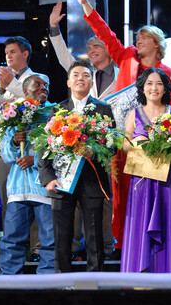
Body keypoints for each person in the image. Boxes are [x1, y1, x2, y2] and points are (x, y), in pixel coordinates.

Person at [77, 0, 171, 254]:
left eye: (144, 37)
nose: (138, 40)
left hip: (155, 146)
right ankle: (126, 246)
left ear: (157, 44)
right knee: (121, 194)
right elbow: (105, 33)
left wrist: (163, 136)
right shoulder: (126, 57)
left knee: (153, 196)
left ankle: (155, 248)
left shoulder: (167, 73)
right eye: (137, 37)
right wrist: (86, 6)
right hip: (124, 141)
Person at [49, 0, 116, 257]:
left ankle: (104, 258)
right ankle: (69, 265)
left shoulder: (121, 75)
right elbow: (64, 58)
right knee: (68, 222)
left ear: (109, 48)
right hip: (69, 165)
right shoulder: (80, 78)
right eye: (88, 47)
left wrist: (97, 148)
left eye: (96, 45)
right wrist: (54, 29)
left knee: (100, 218)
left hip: (101, 161)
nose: (91, 49)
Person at [38, 60, 114, 272]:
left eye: (86, 75)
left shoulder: (103, 109)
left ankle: (94, 281)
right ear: (68, 82)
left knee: (94, 235)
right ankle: (62, 280)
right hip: (62, 181)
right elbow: (43, 147)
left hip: (92, 179)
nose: (81, 78)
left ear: (92, 82)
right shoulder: (57, 110)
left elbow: (112, 146)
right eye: (76, 75)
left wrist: (94, 151)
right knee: (62, 235)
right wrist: (47, 178)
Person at [121, 68, 171, 273]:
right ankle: (141, 274)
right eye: (149, 83)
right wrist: (138, 141)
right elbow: (125, 144)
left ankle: (170, 270)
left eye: (159, 83)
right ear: (142, 88)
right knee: (141, 225)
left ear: (165, 88)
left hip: (168, 180)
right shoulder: (134, 113)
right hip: (142, 180)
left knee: (170, 224)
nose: (154, 88)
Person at [0, 74, 55, 274]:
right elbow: (6, 155)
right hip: (18, 190)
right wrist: (15, 142)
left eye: (46, 85)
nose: (43, 88)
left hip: (45, 187)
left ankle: (48, 282)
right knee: (12, 240)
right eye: (38, 84)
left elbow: (60, 149)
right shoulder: (13, 115)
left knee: (50, 240)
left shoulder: (54, 113)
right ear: (24, 91)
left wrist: (36, 159)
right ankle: (9, 281)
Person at [0, 36, 36, 227]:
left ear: (25, 53)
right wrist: (2, 88)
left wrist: (12, 83)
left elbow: (35, 100)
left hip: (29, 145)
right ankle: (11, 240)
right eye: (6, 53)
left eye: (13, 52)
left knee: (34, 195)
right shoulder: (0, 82)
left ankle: (35, 242)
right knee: (7, 195)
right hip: (5, 146)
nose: (8, 56)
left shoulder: (36, 78)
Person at [49, 1, 118, 100]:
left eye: (96, 47)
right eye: (89, 49)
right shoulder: (83, 71)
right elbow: (63, 56)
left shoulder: (121, 74)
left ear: (107, 49)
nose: (91, 51)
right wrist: (54, 27)